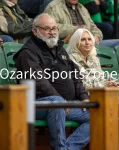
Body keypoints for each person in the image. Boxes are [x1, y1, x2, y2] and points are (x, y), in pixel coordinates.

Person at [13, 13, 89, 150]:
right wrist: (61, 101)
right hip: (35, 105)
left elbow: (74, 74)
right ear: (35, 31)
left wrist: (84, 97)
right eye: (47, 28)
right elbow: (39, 81)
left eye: (54, 28)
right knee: (56, 103)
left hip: (64, 105)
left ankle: (67, 148)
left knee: (98, 113)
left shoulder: (59, 49)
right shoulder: (28, 52)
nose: (52, 32)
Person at [66, 28, 119, 139]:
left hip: (96, 95)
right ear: (76, 42)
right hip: (81, 97)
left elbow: (99, 80)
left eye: (89, 39)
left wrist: (107, 83)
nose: (87, 42)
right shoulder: (70, 60)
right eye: (83, 40)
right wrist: (102, 86)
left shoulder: (94, 59)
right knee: (112, 97)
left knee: (112, 95)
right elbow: (80, 84)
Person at [44, 0, 119, 48]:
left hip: (90, 42)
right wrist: (76, 29)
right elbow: (52, 29)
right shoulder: (54, 7)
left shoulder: (82, 8)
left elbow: (94, 27)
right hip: (72, 45)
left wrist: (97, 36)